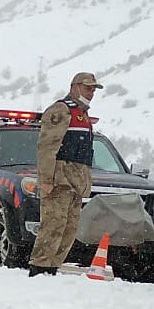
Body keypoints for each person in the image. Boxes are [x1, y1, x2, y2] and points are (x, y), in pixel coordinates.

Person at [27, 72, 103, 276]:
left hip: (77, 181)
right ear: (75, 86)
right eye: (88, 88)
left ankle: (52, 267)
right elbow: (47, 147)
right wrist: (46, 180)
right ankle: (39, 268)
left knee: (69, 229)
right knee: (53, 225)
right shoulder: (61, 110)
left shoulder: (83, 115)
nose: (92, 92)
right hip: (60, 180)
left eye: (94, 89)